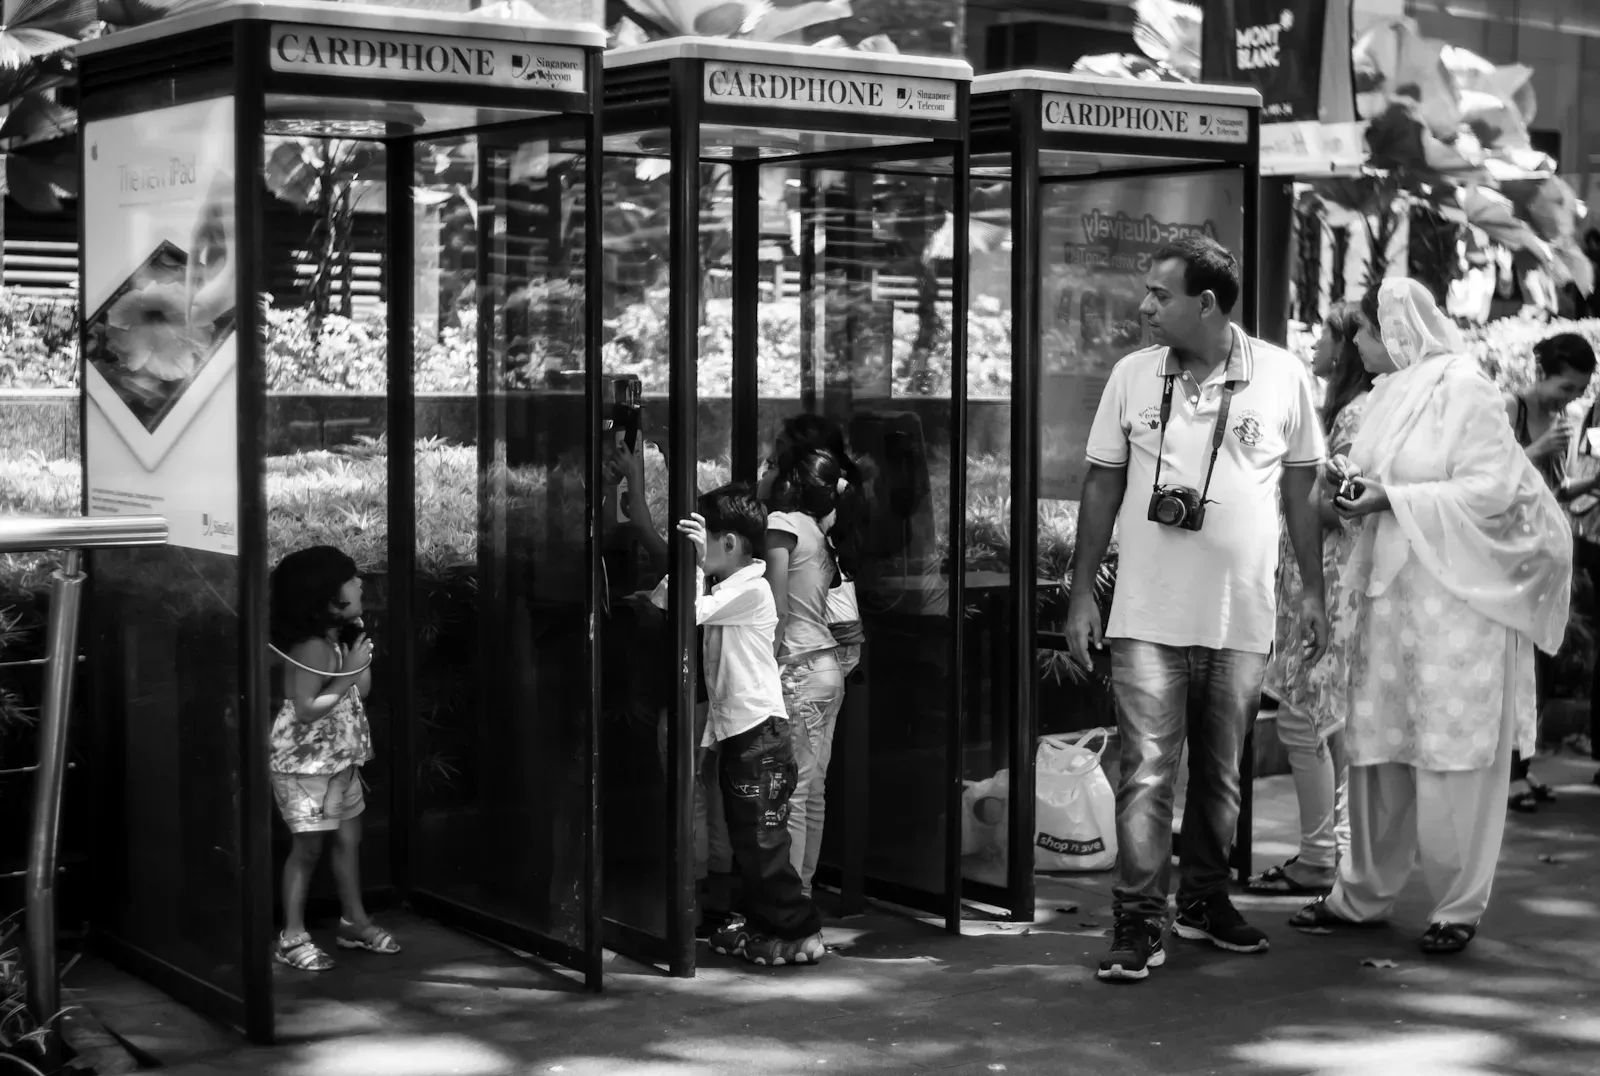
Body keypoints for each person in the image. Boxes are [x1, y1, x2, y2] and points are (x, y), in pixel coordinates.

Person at [1067, 234, 1329, 984]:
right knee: (1148, 771)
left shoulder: (1281, 375)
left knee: (1220, 774)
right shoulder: (1131, 375)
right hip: (1147, 614)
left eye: (1159, 294)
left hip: (1239, 616)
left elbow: (1302, 489)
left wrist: (1311, 590)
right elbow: (1099, 485)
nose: (1144, 305)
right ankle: (1138, 919)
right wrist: (1082, 591)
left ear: (1205, 304)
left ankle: (1203, 901)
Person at [1291, 278, 1572, 955]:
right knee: (1377, 751)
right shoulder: (1387, 395)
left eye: (1364, 332)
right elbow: (1375, 487)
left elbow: (1491, 488)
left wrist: (1391, 495)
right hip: (1390, 602)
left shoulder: (1462, 387)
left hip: (1458, 607)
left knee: (1454, 756)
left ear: (1398, 331)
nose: (1357, 344)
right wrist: (1349, 489)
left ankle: (1456, 907)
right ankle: (1360, 894)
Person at [651, 485, 826, 966]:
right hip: (742, 736)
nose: (697, 550)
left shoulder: (752, 590)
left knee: (763, 842)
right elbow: (664, 598)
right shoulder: (727, 590)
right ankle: (767, 924)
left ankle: (800, 927)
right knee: (750, 841)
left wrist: (689, 563)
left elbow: (684, 609)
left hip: (760, 739)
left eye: (704, 540)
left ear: (728, 544)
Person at [1250, 302, 1374, 895]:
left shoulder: (1353, 416)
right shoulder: (1351, 410)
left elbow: (1342, 503)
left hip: (1323, 582)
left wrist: (1296, 483)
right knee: (1329, 723)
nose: (1313, 345)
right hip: (1326, 580)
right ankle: (1334, 850)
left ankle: (1318, 856)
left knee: (1303, 722)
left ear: (1346, 347)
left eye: (1324, 335)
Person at [268, 545, 399, 971]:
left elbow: (362, 689)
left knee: (348, 839)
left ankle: (353, 921)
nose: (360, 582)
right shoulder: (311, 648)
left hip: (340, 761)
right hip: (308, 767)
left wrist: (358, 655)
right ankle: (290, 936)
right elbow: (306, 708)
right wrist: (348, 673)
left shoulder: (333, 640)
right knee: (307, 849)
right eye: (351, 578)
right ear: (326, 597)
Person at [1503, 332, 1596, 810]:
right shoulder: (1509, 411)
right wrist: (1537, 448)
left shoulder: (1558, 421)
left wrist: (1593, 480)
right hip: (1505, 561)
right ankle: (1508, 774)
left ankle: (1522, 767)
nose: (1570, 401)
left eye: (1578, 394)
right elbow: (1486, 481)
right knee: (1511, 669)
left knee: (1534, 670)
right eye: (1566, 390)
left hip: (1541, 562)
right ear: (1542, 373)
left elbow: (1554, 491)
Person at [759, 446, 847, 898]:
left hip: (796, 669)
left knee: (792, 793)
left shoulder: (782, 524)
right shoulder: (816, 527)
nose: (763, 470)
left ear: (789, 482)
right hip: (827, 668)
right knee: (812, 793)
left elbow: (774, 609)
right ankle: (803, 895)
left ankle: (786, 906)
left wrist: (760, 671)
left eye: (770, 465)